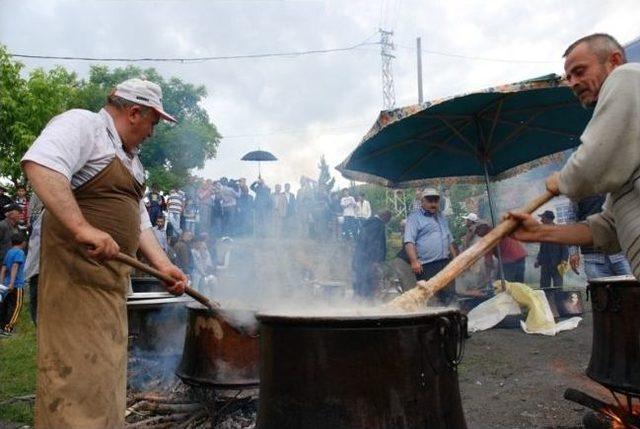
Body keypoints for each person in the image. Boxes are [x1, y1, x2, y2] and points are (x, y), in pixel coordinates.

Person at [22, 77, 187, 429]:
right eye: (153, 122)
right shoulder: (84, 125)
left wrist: (164, 265)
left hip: (109, 288)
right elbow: (41, 164)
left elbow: (138, 219)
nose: (152, 133)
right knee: (75, 382)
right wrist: (82, 228)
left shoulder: (132, 162)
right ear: (134, 112)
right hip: (71, 282)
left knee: (105, 381)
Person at [510, 35, 640, 280]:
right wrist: (541, 232)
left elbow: (588, 170)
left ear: (614, 61)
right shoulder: (626, 161)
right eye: (569, 77)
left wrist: (561, 180)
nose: (573, 83)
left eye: (580, 71)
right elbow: (607, 229)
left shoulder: (627, 76)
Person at [404, 188, 458, 305]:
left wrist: (456, 260)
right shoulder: (414, 218)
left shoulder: (442, 217)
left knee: (449, 294)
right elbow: (409, 241)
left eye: (435, 201)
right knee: (431, 297)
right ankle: (433, 321)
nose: (433, 204)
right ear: (422, 201)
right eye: (429, 201)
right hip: (427, 266)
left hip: (445, 263)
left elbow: (449, 239)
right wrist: (414, 261)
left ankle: (451, 318)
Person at [569, 195, 631, 279]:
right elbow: (572, 222)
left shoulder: (616, 186)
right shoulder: (577, 191)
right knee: (599, 291)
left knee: (633, 289)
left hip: (622, 254)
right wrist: (573, 252)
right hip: (593, 256)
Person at [353, 211, 392, 300]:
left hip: (360, 258)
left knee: (360, 280)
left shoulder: (367, 223)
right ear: (385, 218)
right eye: (388, 220)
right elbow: (376, 243)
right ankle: (367, 303)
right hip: (370, 259)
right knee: (369, 280)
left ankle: (358, 301)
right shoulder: (378, 225)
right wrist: (376, 260)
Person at [0, 233, 27, 336]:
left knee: (5, 305)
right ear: (23, 242)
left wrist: (1, 283)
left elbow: (4, 269)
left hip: (6, 285)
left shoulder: (9, 252)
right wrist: (12, 282)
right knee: (17, 306)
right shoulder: (20, 252)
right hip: (16, 284)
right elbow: (15, 266)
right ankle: (8, 328)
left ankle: (2, 327)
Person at [534, 211, 569, 288]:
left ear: (548, 219)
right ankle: (546, 300)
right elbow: (542, 249)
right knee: (544, 286)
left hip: (557, 264)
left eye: (542, 218)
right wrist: (538, 260)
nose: (541, 220)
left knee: (558, 286)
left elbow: (565, 249)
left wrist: (563, 262)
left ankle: (559, 300)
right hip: (545, 265)